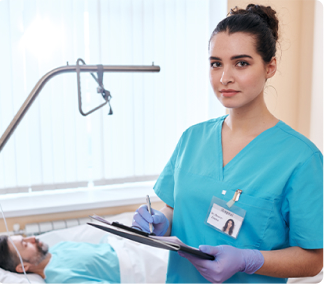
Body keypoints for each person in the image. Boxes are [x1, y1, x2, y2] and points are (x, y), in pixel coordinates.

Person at [132, 3, 323, 283]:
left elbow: (313, 260)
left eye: (241, 63)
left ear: (270, 67)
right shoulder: (191, 139)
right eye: (216, 64)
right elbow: (175, 209)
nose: (225, 78)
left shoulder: (302, 159)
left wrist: (249, 260)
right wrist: (159, 222)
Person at [0, 235, 120, 283]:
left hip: (127, 245)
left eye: (26, 237)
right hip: (133, 266)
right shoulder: (61, 278)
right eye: (25, 244)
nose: (33, 238)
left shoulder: (59, 247)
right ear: (24, 267)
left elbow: (100, 251)